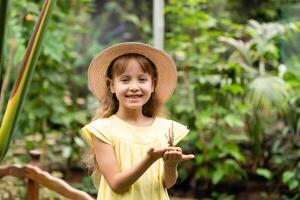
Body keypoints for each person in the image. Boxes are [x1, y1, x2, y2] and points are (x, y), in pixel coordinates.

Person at [81, 42, 194, 200]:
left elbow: (166, 183)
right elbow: (117, 184)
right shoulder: (102, 130)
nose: (134, 87)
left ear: (153, 84)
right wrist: (149, 159)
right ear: (111, 85)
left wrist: (170, 165)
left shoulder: (165, 129)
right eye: (125, 80)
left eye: (142, 80)